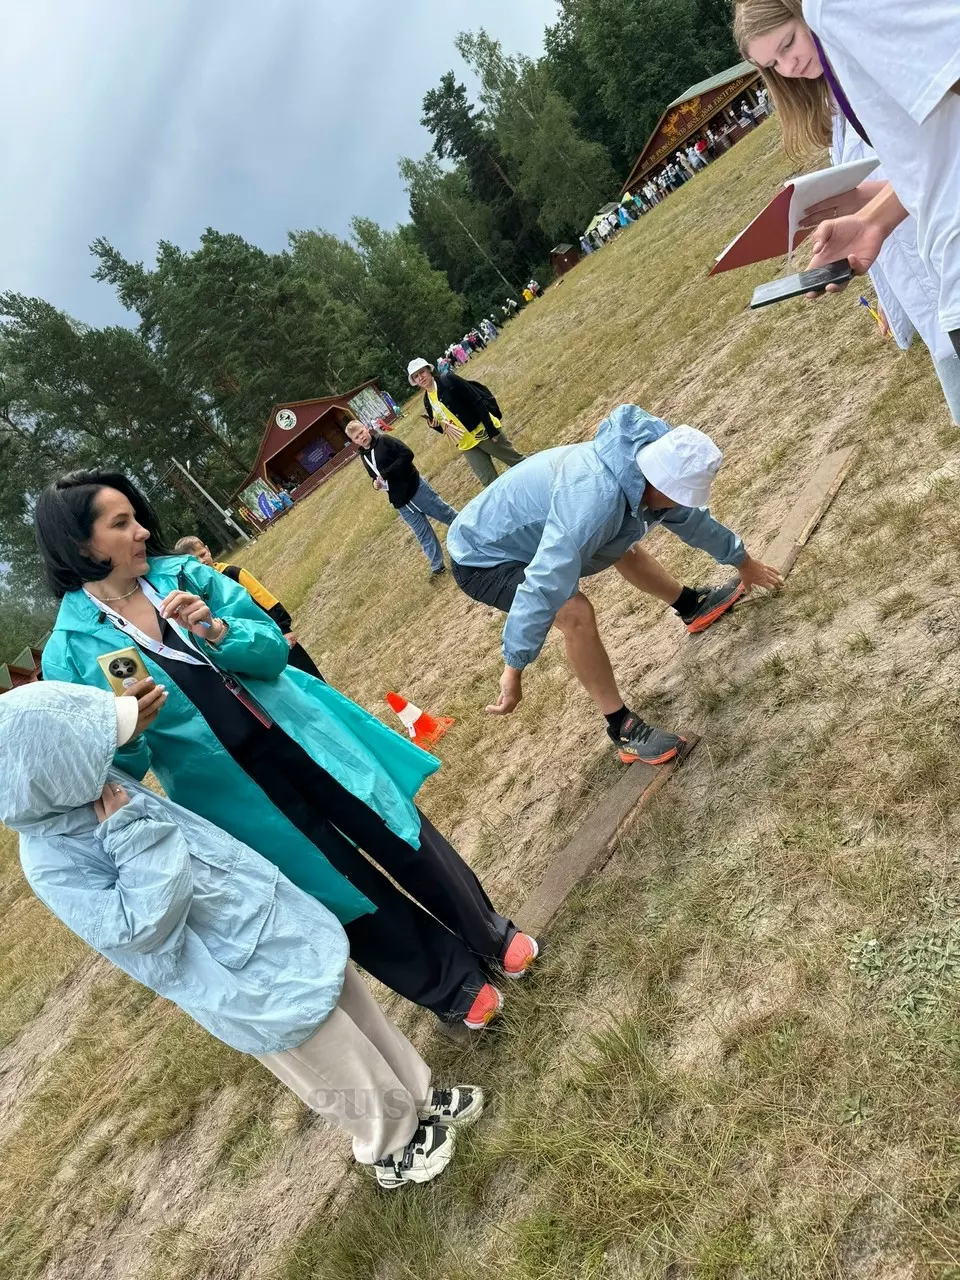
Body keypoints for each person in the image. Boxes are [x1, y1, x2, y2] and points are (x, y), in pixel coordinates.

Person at [35, 470, 540, 1033]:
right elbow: (110, 772)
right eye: (121, 523)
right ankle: (449, 984)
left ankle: (487, 932)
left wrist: (220, 631)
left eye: (136, 517)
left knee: (397, 830)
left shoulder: (185, 576)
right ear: (82, 545)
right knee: (334, 883)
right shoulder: (69, 651)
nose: (143, 532)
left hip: (301, 737)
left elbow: (274, 649)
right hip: (229, 792)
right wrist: (129, 731)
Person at [0, 681, 484, 1189]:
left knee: (351, 1006)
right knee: (330, 1054)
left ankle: (417, 1096)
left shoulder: (95, 784)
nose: (104, 757)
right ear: (45, 774)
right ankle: (391, 1146)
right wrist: (131, 836)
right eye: (91, 748)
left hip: (263, 918)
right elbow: (137, 927)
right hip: (229, 972)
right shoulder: (52, 861)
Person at [447, 406, 783, 764]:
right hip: (480, 555)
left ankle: (691, 606)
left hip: (528, 526)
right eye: (680, 495)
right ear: (659, 482)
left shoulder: (643, 467)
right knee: (574, 611)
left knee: (622, 534)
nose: (681, 503)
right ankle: (621, 727)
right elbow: (544, 581)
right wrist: (514, 666)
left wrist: (744, 562)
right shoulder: (594, 503)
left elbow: (692, 520)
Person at [734, 0, 960, 419]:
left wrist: (867, 204)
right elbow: (928, 161)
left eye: (789, 43)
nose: (789, 65)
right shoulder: (839, 88)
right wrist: (872, 224)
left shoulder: (840, 14)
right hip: (941, 274)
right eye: (773, 64)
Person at [173, 536, 325, 678]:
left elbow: (264, 598)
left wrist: (284, 628)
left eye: (202, 554)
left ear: (208, 549)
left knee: (305, 672)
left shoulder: (232, 573)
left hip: (273, 634)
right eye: (195, 560)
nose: (202, 561)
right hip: (247, 646)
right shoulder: (195, 591)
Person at [346, 419, 458, 578]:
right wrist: (375, 484)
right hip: (401, 502)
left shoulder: (384, 440)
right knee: (423, 535)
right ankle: (437, 567)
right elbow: (375, 475)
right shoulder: (364, 456)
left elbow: (407, 454)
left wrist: (387, 473)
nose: (361, 437)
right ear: (354, 441)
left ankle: (471, 532)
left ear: (366, 428)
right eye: (357, 437)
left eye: (361, 432)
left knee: (445, 514)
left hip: (415, 488)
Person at [408, 357, 526, 488]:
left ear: (429, 370)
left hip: (483, 432)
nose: (421, 377)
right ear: (414, 381)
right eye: (416, 376)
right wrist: (435, 426)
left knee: (517, 462)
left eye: (422, 372)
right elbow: (446, 428)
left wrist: (491, 429)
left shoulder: (449, 380)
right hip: (466, 445)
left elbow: (477, 400)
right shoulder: (427, 400)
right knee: (490, 484)